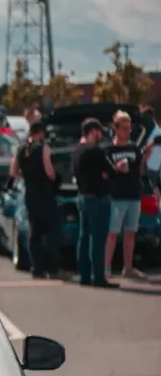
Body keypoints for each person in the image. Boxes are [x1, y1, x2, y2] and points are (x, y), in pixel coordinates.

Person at [9, 119, 60, 279]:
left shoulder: (21, 149)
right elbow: (49, 171)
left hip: (30, 194)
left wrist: (26, 175)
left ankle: (37, 268)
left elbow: (13, 172)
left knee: (35, 232)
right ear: (41, 133)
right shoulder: (43, 147)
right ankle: (52, 268)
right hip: (45, 193)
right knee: (52, 232)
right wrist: (54, 178)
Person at [72, 119, 118, 289]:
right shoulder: (95, 152)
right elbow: (111, 172)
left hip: (83, 197)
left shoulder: (76, 151)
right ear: (92, 132)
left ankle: (84, 275)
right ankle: (98, 276)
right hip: (98, 198)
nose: (101, 136)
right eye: (99, 132)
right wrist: (109, 173)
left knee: (84, 237)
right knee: (98, 239)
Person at [104, 110, 146, 280]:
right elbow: (104, 173)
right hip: (116, 196)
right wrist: (116, 169)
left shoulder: (134, 148)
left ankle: (127, 267)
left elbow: (140, 171)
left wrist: (145, 157)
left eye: (129, 128)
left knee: (130, 232)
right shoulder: (108, 149)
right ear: (115, 128)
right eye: (124, 128)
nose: (127, 132)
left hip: (133, 195)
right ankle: (106, 267)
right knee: (112, 233)